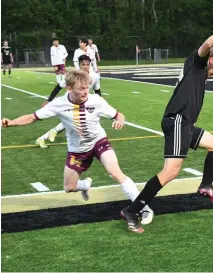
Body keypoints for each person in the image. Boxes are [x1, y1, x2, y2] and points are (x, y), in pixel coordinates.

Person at [120, 18, 213, 233]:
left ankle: (206, 185)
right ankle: (132, 210)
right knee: (170, 172)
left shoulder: (200, 72)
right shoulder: (198, 62)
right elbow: (209, 41)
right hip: (177, 120)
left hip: (186, 123)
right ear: (211, 59)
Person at [2, 70, 154, 225]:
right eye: (81, 88)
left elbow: (118, 115)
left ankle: (143, 207)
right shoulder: (58, 104)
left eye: (86, 87)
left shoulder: (96, 100)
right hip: (77, 150)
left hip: (99, 142)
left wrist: (120, 120)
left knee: (115, 172)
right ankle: (85, 185)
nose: (85, 91)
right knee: (69, 187)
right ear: (69, 88)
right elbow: (32, 117)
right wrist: (12, 122)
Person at [36, 55, 101, 148]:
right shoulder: (72, 75)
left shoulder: (94, 76)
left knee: (74, 121)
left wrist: (99, 103)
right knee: (75, 120)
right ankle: (52, 133)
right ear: (79, 65)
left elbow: (97, 90)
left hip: (82, 101)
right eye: (83, 64)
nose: (86, 66)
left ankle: (43, 138)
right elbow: (58, 87)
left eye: (87, 64)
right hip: (69, 100)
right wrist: (48, 100)